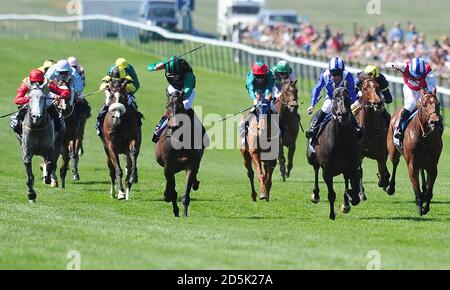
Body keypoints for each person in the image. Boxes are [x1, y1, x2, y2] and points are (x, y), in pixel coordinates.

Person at [305, 57, 360, 142]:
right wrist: (312, 105)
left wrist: (350, 103)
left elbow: (352, 93)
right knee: (326, 107)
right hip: (331, 98)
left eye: (338, 73)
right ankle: (313, 128)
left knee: (347, 111)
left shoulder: (348, 76)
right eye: (333, 73)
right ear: (330, 72)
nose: (336, 76)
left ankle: (357, 128)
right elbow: (317, 89)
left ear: (342, 72)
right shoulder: (325, 75)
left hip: (344, 99)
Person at [386, 57, 441, 140]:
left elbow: (432, 85)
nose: (417, 78)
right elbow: (387, 64)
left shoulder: (428, 70)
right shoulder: (405, 66)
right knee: (411, 105)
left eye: (419, 76)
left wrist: (427, 92)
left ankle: (439, 127)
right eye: (415, 76)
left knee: (431, 105)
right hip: (409, 89)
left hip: (422, 90)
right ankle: (399, 128)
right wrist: (393, 66)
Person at [147, 56, 197, 143]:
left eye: (176, 76)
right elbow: (149, 67)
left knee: (185, 106)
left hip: (186, 91)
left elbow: (187, 91)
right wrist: (155, 67)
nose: (173, 78)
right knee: (170, 108)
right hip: (173, 89)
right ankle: (158, 129)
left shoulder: (188, 75)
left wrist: (179, 98)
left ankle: (199, 132)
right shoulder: (166, 65)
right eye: (171, 75)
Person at [10, 69, 70, 138]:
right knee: (18, 119)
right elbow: (17, 99)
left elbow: (65, 92)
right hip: (30, 99)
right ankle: (20, 134)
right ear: (30, 81)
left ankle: (55, 138)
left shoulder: (47, 82)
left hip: (45, 99)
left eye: (39, 82)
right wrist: (32, 99)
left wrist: (61, 96)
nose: (37, 84)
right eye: (34, 82)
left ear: (42, 80)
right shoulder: (26, 83)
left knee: (58, 122)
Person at [96, 66, 141, 136]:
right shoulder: (108, 76)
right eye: (116, 80)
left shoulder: (127, 78)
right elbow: (102, 87)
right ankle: (98, 125)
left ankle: (138, 123)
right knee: (106, 104)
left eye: (120, 80)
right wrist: (107, 86)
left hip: (124, 93)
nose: (118, 81)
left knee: (131, 103)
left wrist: (125, 86)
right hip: (111, 94)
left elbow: (133, 88)